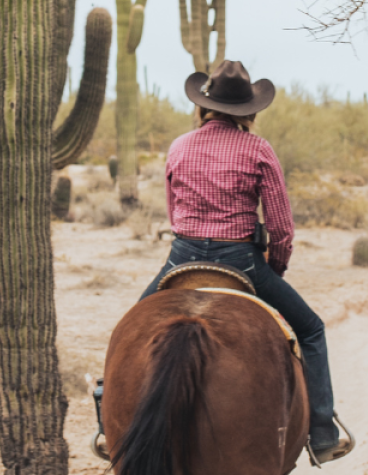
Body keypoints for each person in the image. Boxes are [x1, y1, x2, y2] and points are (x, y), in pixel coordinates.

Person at [139, 59, 351, 465]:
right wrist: (274, 271)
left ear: (203, 105)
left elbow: (173, 213)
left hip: (181, 256)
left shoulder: (179, 146)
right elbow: (282, 229)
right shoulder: (258, 149)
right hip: (241, 260)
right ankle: (322, 431)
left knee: (128, 331)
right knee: (310, 329)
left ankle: (105, 423)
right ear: (248, 111)